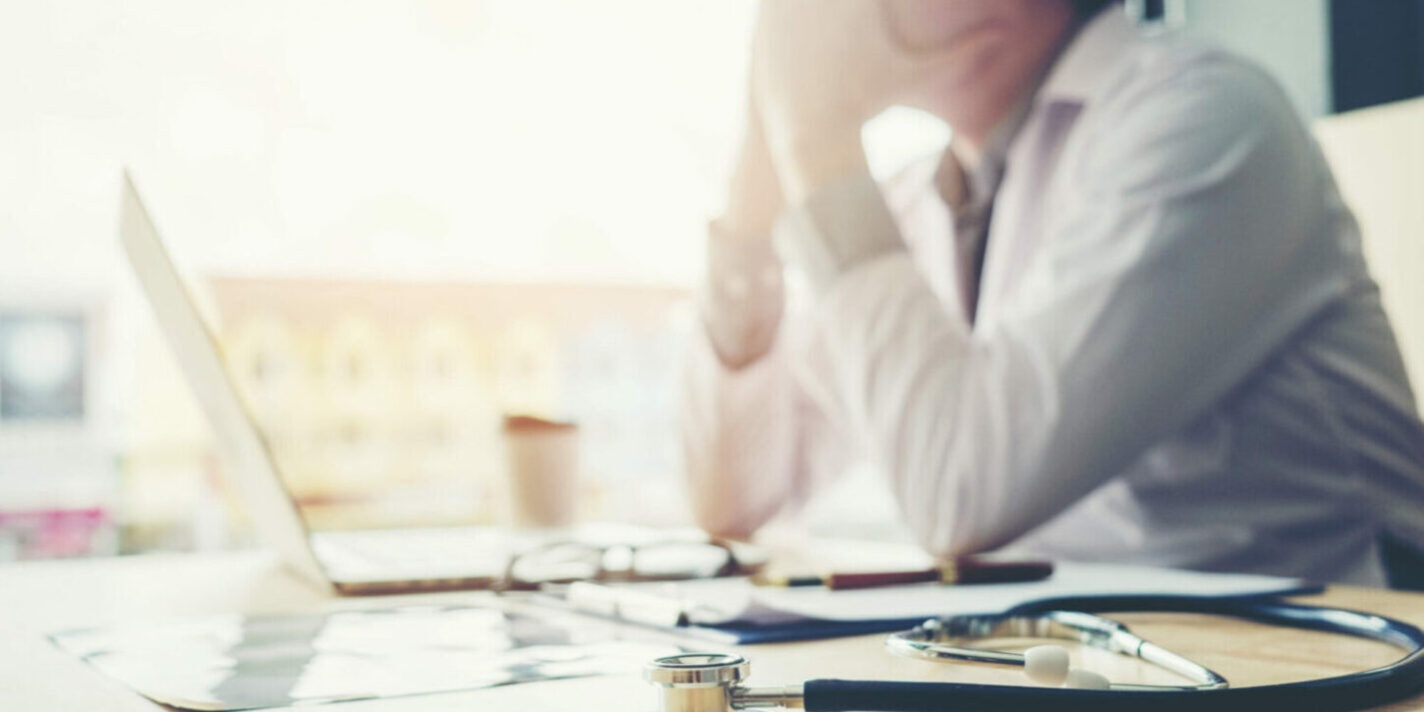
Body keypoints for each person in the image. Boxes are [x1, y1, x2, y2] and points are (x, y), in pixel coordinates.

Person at [682, 0, 1424, 586]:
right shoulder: (910, 205)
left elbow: (960, 490)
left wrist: (814, 135)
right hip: (1077, 658)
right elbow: (735, 505)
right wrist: (756, 192)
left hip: (1332, 660)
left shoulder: (1200, 118)